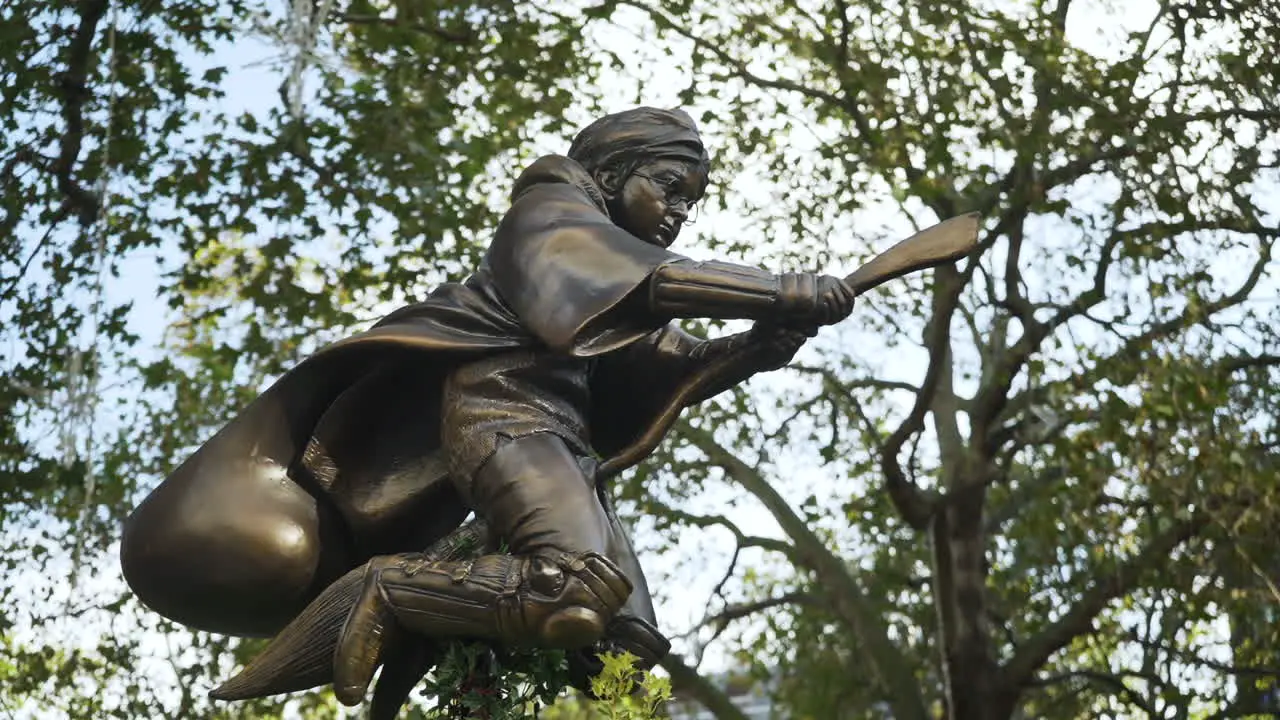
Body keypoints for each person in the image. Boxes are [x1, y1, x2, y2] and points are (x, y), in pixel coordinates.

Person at [120, 107, 855, 704]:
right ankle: (395, 587)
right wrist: (781, 289)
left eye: (691, 199)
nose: (678, 212)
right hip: (505, 418)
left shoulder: (623, 288)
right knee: (569, 588)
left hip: (563, 450)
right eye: (668, 185)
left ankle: (451, 618)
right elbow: (658, 282)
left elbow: (668, 366)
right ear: (609, 172)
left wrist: (757, 346)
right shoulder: (549, 221)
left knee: (621, 645)